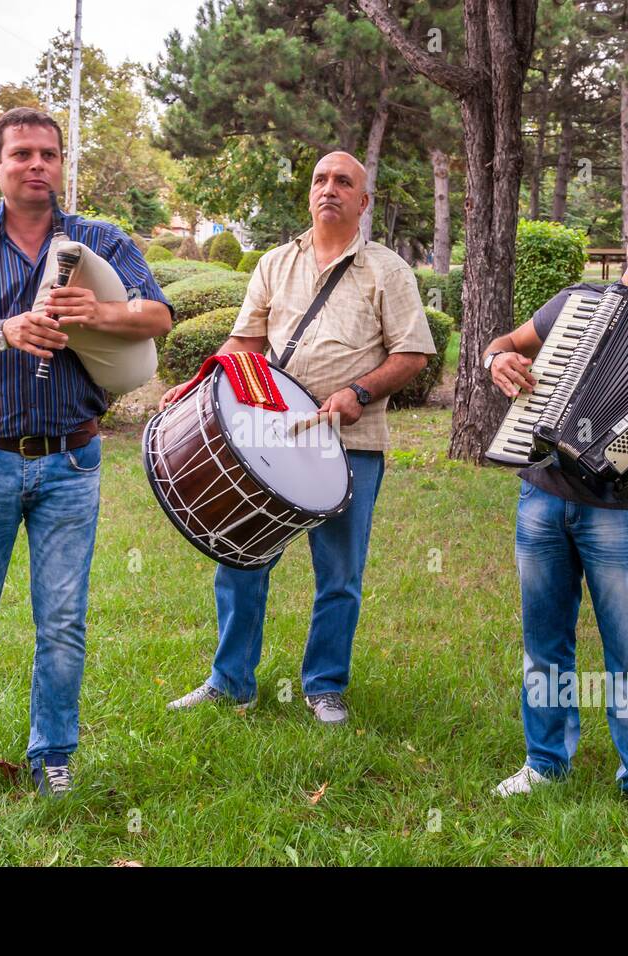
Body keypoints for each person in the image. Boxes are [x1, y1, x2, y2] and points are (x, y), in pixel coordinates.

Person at [0, 107, 172, 807]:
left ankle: (52, 755)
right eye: (21, 153)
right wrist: (5, 331)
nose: (36, 165)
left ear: (61, 164)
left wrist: (98, 314)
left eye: (48, 154)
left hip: (72, 462)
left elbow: (157, 315)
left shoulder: (99, 239)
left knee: (62, 618)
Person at [160, 151, 437, 725]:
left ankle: (325, 685)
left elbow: (412, 354)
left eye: (344, 182)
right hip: (270, 434)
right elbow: (246, 344)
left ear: (363, 202)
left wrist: (358, 394)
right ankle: (230, 681)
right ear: (308, 194)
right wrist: (198, 387)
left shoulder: (388, 270)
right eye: (319, 180)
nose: (328, 189)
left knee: (339, 573)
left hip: (349, 444)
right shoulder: (275, 263)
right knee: (241, 557)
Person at [485, 199, 628, 824]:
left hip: (621, 506)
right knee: (543, 638)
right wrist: (496, 358)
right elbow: (504, 342)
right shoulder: (574, 303)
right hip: (542, 493)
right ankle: (544, 761)